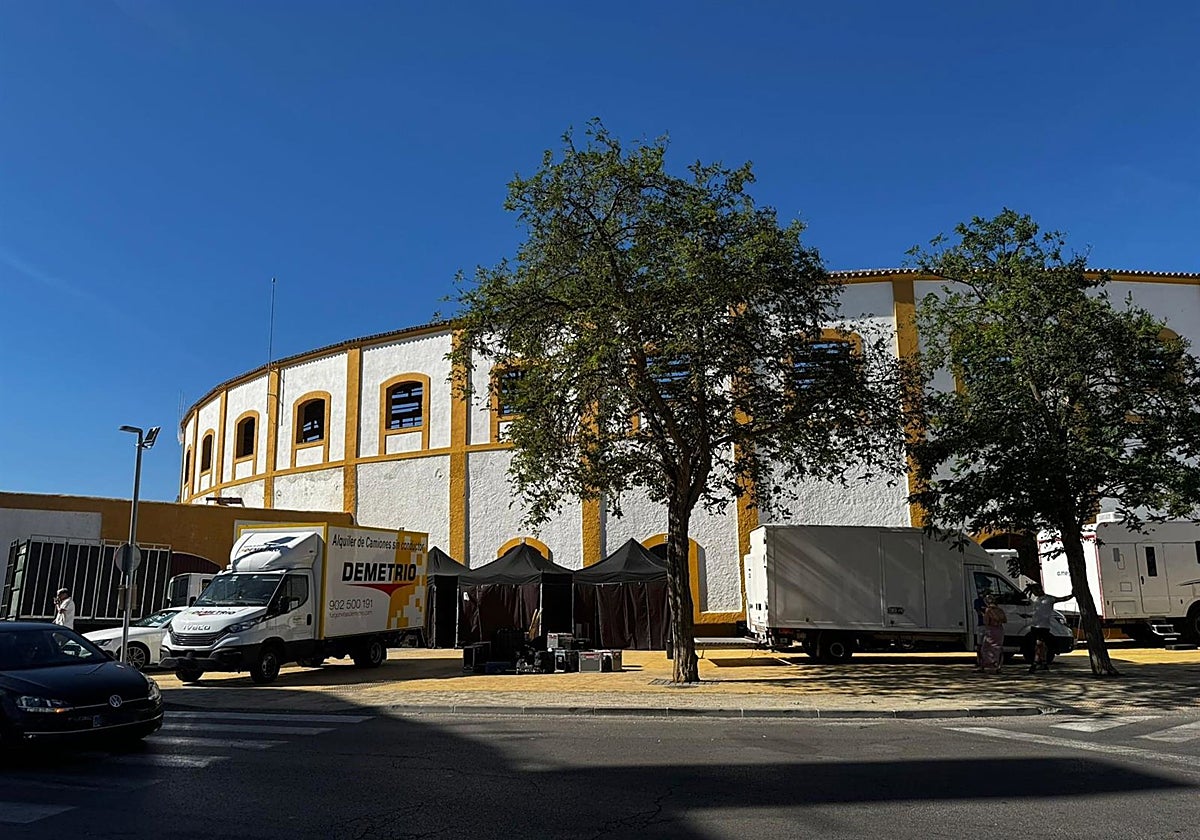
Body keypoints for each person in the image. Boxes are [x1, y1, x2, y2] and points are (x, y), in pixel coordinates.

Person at [1025, 584, 1072, 673]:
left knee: (1039, 644)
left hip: (1043, 626)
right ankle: (1043, 662)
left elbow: (1061, 599)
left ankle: (1035, 663)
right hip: (1035, 625)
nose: (1034, 593)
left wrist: (1072, 595)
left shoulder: (1049, 599)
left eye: (1035, 591)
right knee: (1041, 645)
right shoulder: (1036, 599)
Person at [980, 594, 1007, 674]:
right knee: (998, 648)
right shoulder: (1000, 610)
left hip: (991, 630)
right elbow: (1004, 620)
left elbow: (986, 622)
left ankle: (987, 665)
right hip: (999, 630)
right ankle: (998, 666)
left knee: (986, 648)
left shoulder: (988, 610)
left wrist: (983, 615)